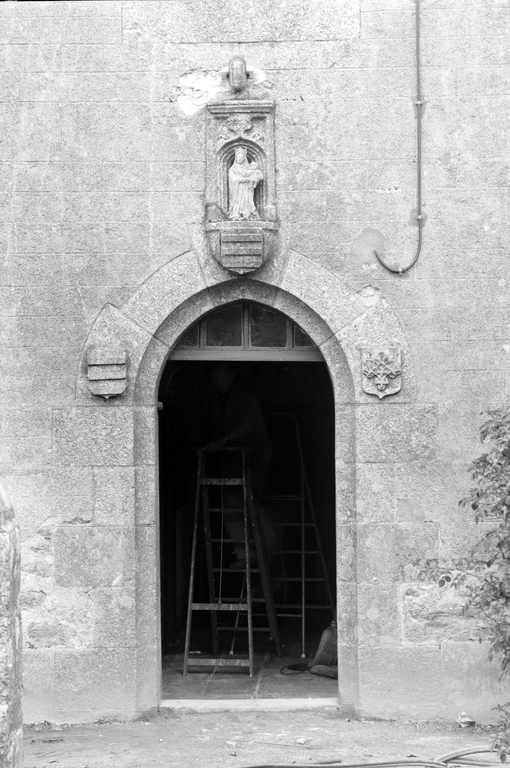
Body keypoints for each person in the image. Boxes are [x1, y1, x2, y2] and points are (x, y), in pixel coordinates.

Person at [206, 362, 278, 569]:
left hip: (254, 456)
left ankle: (265, 554)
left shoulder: (243, 396)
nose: (214, 377)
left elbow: (248, 426)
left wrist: (225, 440)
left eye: (218, 372)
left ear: (229, 374)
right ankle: (247, 554)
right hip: (235, 459)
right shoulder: (221, 398)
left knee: (251, 503)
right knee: (232, 503)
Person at [228, 146, 263, 220]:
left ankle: (247, 213)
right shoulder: (233, 169)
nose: (240, 159)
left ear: (244, 158)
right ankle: (236, 213)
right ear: (236, 158)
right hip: (237, 189)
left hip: (246, 188)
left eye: (241, 157)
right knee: (238, 201)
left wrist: (252, 180)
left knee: (247, 200)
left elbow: (253, 176)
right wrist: (240, 180)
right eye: (238, 157)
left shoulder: (248, 168)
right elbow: (232, 179)